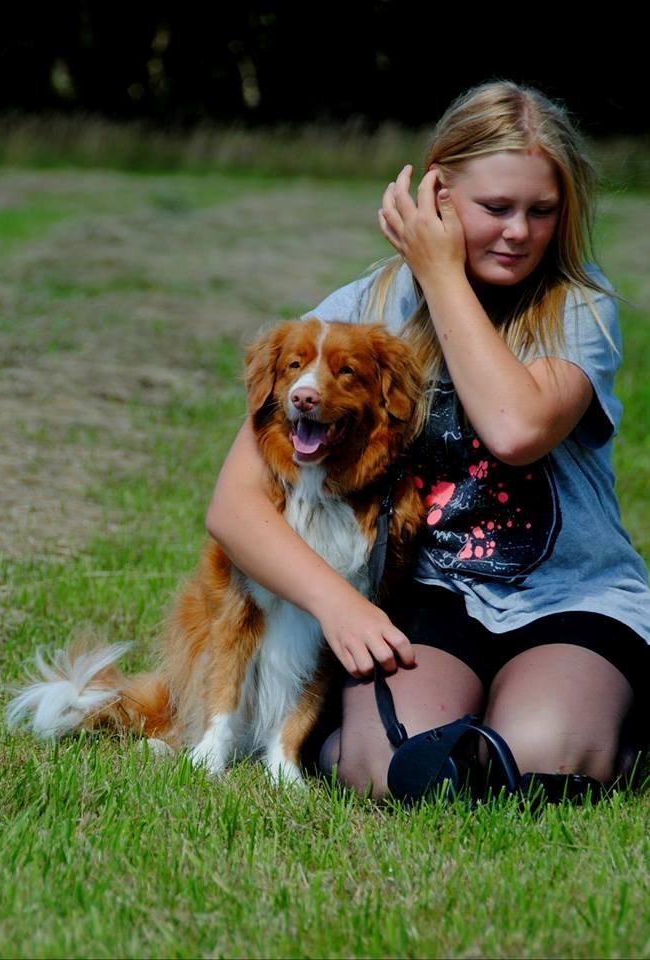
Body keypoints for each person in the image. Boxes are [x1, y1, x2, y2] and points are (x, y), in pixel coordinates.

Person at [206, 81, 649, 798]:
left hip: (572, 597)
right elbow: (235, 507)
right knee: (391, 771)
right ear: (438, 193)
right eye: (495, 208)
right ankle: (357, 733)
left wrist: (441, 273)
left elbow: (515, 430)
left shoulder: (580, 307)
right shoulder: (363, 311)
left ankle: (611, 722)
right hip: (428, 594)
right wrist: (338, 604)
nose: (518, 232)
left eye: (541, 211)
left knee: (540, 762)